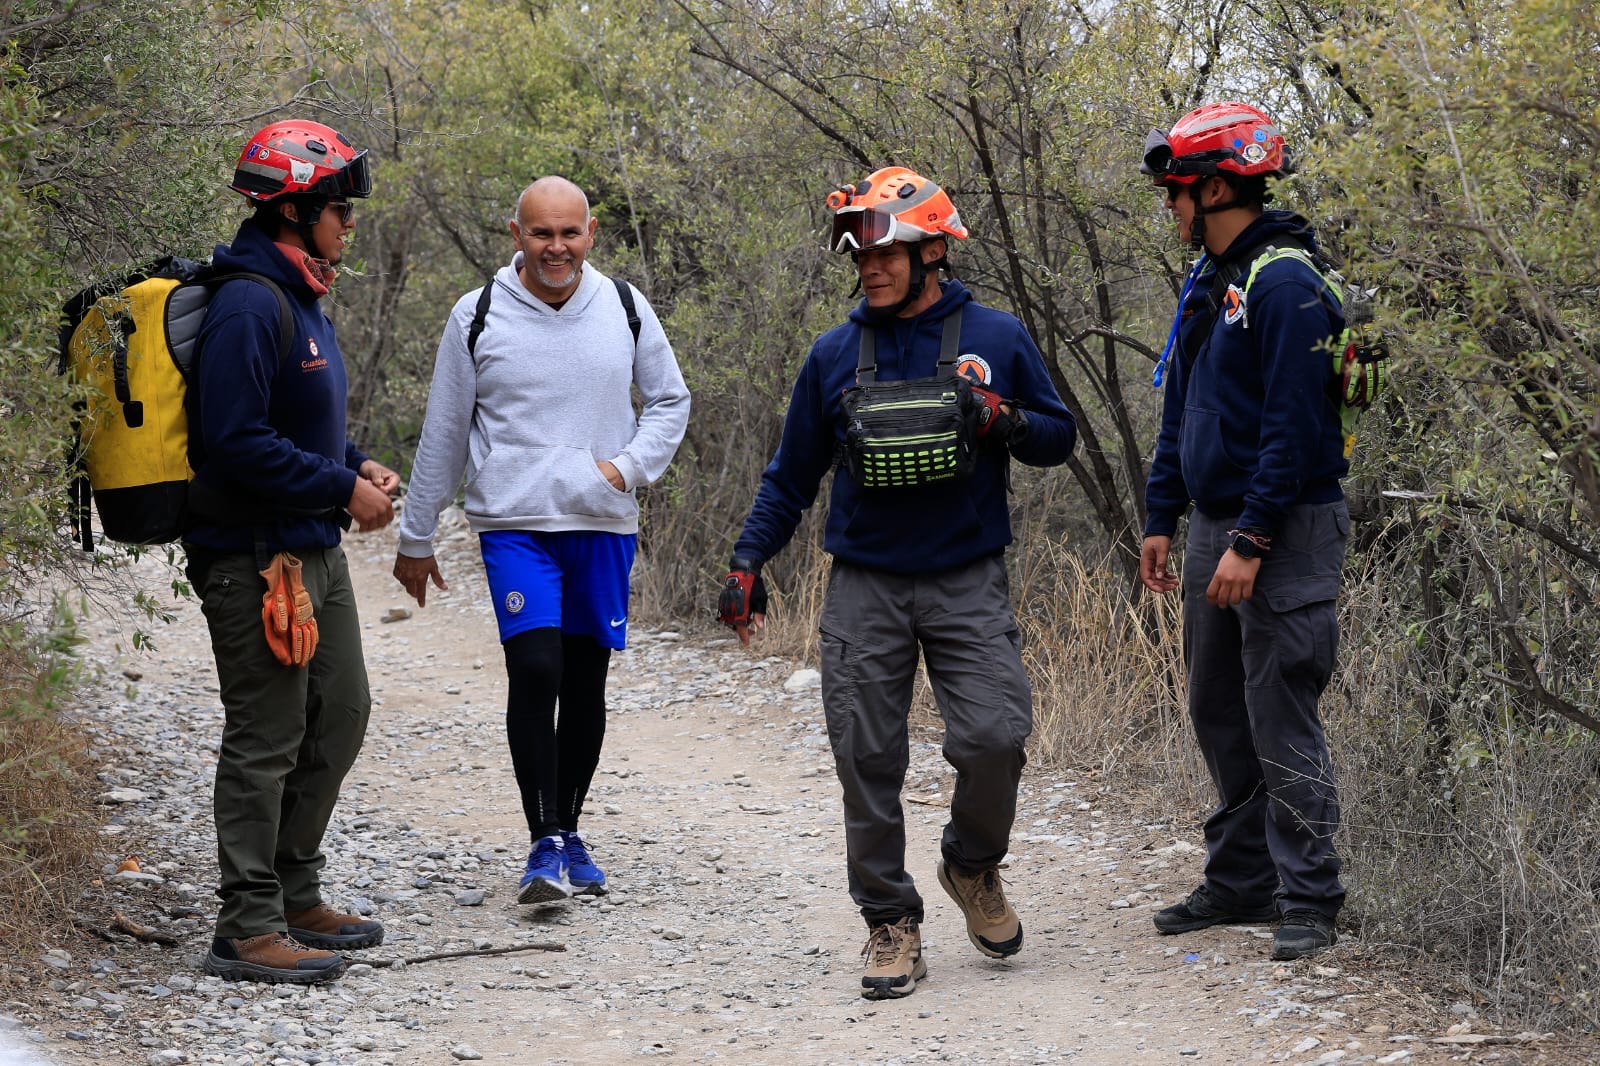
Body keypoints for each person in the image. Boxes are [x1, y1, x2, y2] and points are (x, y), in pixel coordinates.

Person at [716, 167, 1077, 1000]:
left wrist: (1001, 418)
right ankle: (890, 922)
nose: (869, 267)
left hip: (967, 579)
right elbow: (790, 475)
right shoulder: (835, 353)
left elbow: (1059, 439)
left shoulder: (998, 334)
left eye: (888, 251)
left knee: (995, 737)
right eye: (859, 253)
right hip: (865, 586)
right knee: (866, 758)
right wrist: (747, 562)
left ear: (933, 252)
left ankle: (971, 866)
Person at [393, 176, 689, 906]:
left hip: (601, 521)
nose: (556, 248)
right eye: (540, 234)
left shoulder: (623, 307)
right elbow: (445, 431)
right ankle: (543, 841)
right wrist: (416, 533)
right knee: (535, 668)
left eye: (569, 234)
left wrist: (625, 467)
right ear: (515, 234)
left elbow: (670, 400)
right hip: (515, 522)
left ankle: (571, 833)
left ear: (590, 235)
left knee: (586, 679)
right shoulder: (478, 314)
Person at [186, 119, 398, 985]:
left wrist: (352, 464)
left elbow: (292, 423)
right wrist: (338, 488)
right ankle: (246, 925)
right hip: (254, 556)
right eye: (336, 205)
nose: (348, 220)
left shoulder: (299, 289)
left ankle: (296, 893)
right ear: (293, 207)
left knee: (338, 715)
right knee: (267, 737)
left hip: (311, 547)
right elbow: (234, 440)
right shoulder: (248, 300)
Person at [1138, 102, 1350, 961]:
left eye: (1177, 192)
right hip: (1213, 524)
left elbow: (1295, 432)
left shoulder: (1286, 282)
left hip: (1283, 529)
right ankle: (1239, 881)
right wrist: (1161, 514)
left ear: (1219, 185)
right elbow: (1180, 404)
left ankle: (1310, 898)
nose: (1169, 208)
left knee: (1279, 708)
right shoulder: (1211, 278)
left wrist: (1253, 541)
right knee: (1218, 706)